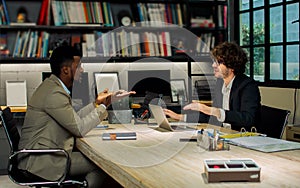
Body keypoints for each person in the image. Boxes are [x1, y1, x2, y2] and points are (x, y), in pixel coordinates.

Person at [18, 45, 135, 187]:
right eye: (78, 66)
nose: (82, 70)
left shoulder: (53, 87)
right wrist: (104, 106)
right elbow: (79, 128)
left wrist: (97, 103)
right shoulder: (55, 93)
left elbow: (74, 119)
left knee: (103, 164)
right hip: (42, 160)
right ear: (66, 70)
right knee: (105, 165)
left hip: (43, 155)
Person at [164, 41, 261, 131]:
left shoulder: (248, 86)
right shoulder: (220, 83)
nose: (214, 65)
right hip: (224, 134)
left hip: (243, 138)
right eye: (214, 62)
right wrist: (179, 117)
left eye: (219, 62)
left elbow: (248, 119)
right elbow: (211, 116)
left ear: (232, 66)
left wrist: (209, 109)